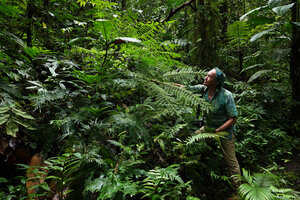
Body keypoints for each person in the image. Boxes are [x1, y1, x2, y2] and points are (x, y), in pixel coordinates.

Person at [174, 67, 241, 192]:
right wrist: (167, 84)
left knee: (231, 161)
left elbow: (233, 118)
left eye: (209, 76)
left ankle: (238, 189)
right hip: (208, 128)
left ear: (216, 82)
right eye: (207, 75)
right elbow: (185, 88)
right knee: (190, 142)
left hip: (225, 132)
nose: (205, 77)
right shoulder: (203, 89)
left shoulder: (226, 96)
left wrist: (219, 130)